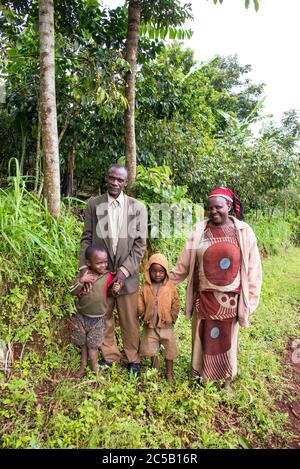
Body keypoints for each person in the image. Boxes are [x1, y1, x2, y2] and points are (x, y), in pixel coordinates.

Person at [169, 187, 262, 392]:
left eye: (218, 207)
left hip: (231, 299)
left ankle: (226, 380)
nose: (213, 212)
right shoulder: (199, 230)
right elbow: (184, 264)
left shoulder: (243, 231)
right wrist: (166, 282)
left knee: (226, 340)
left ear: (229, 206)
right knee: (202, 336)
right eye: (209, 208)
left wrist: (251, 300)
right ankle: (201, 376)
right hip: (204, 297)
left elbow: (254, 268)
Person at [79, 164, 147, 377]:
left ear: (126, 182)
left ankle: (133, 359)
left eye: (119, 180)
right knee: (104, 317)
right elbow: (87, 239)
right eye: (111, 178)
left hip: (127, 275)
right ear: (106, 178)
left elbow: (140, 245)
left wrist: (125, 271)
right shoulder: (93, 204)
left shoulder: (138, 208)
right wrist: (84, 269)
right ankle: (109, 356)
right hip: (100, 275)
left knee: (129, 320)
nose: (114, 183)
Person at [69, 245, 120, 377]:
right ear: (88, 263)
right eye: (98, 263)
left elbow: (112, 291)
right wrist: (81, 281)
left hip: (98, 319)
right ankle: (82, 368)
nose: (103, 265)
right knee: (83, 344)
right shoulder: (84, 276)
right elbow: (72, 291)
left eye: (105, 262)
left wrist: (116, 289)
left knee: (93, 346)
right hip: (82, 317)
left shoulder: (108, 276)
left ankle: (95, 371)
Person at [138, 253, 180, 384]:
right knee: (151, 348)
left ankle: (169, 372)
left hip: (166, 325)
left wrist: (172, 317)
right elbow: (140, 302)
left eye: (161, 271)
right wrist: (142, 313)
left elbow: (176, 303)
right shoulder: (145, 287)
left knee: (169, 349)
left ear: (166, 272)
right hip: (150, 324)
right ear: (148, 271)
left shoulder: (170, 287)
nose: (157, 274)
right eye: (154, 271)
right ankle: (154, 368)